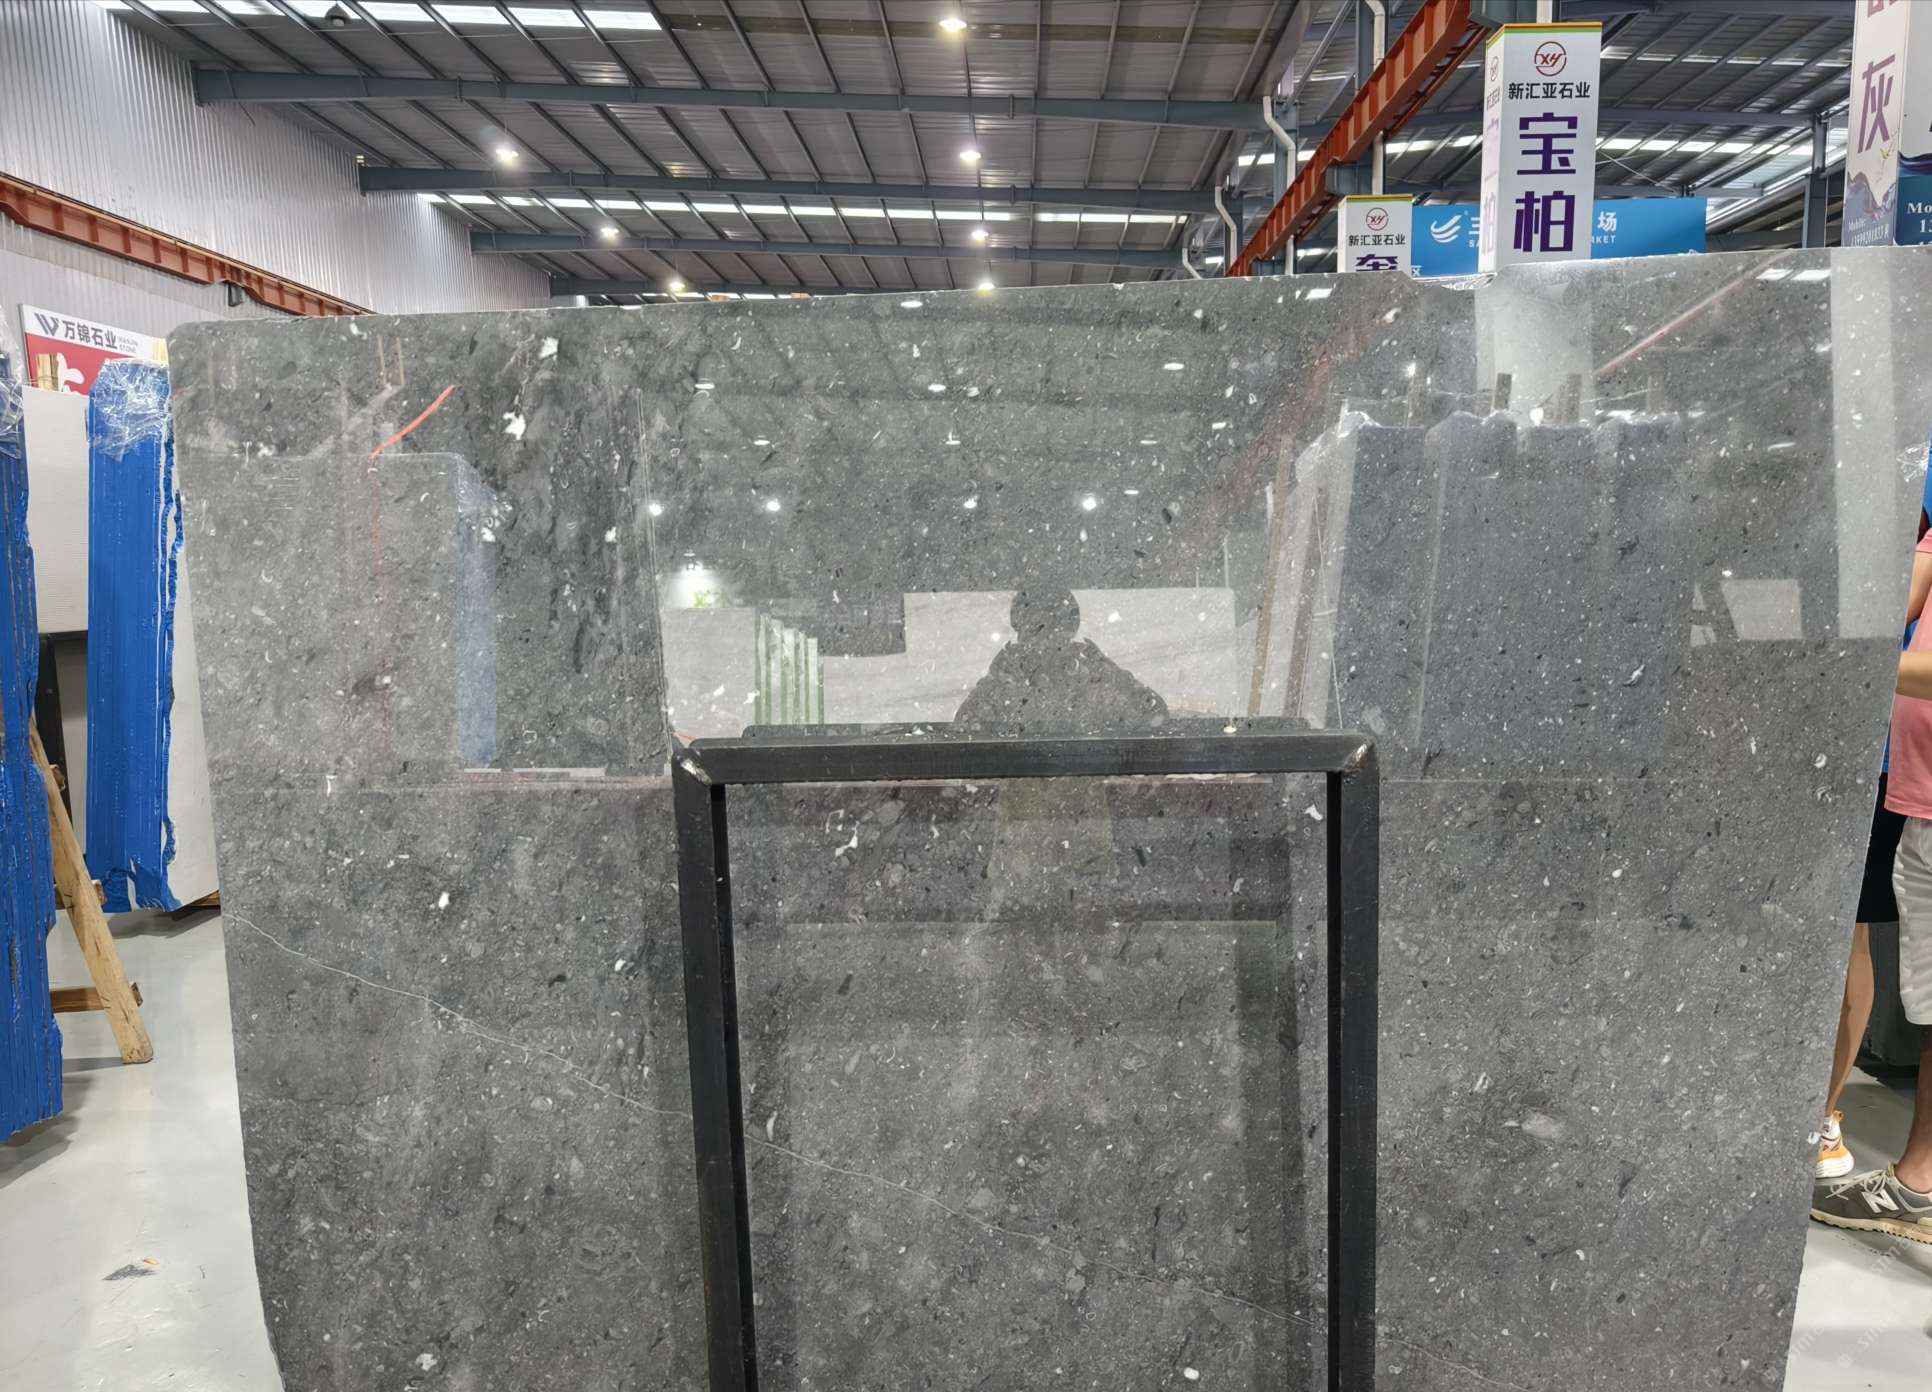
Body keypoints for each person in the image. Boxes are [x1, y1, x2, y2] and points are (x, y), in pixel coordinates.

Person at [1809, 527, 1932, 1243]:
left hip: (1885, 766)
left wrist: (1843, 657)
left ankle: (1819, 1122)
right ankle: (1915, 1181)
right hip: (1909, 785)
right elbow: (1900, 596)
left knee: (1846, 930)